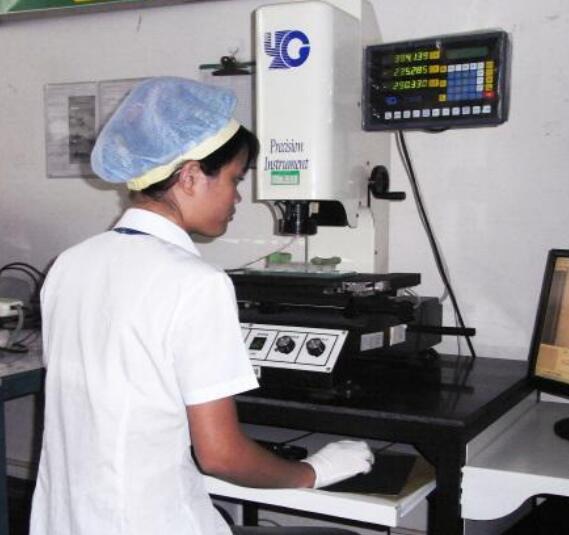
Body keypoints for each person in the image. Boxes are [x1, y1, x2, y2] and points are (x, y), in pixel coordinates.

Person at [29, 77, 374, 535]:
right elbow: (220, 456)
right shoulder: (197, 283)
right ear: (191, 176)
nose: (238, 197)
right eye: (234, 179)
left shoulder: (69, 264)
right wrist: (313, 471)